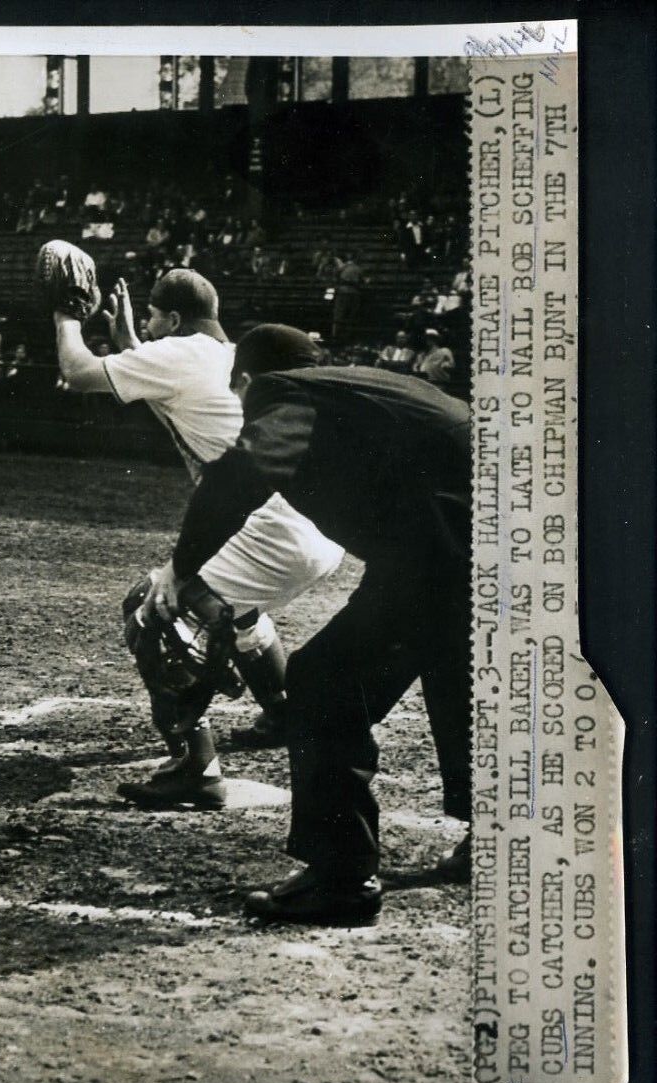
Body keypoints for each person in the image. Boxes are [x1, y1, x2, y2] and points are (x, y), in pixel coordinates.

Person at [149, 324, 470, 925]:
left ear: (246, 379)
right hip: (510, 534)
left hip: (447, 544)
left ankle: (341, 879)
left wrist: (182, 566)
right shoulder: (365, 385)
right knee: (456, 672)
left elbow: (238, 479)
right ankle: (503, 835)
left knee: (325, 683)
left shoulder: (281, 393)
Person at [51, 270, 344, 807]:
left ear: (176, 319)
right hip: (316, 528)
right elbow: (172, 388)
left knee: (150, 607)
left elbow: (75, 372)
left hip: (271, 527)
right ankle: (282, 712)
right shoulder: (217, 354)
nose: (147, 323)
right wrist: (135, 347)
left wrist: (66, 314)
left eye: (153, 314)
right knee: (231, 606)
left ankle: (196, 765)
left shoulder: (179, 354)